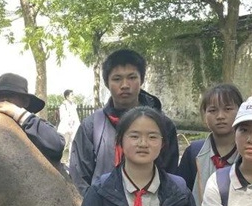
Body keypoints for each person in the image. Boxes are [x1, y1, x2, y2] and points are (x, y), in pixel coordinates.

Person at [70, 49, 179, 197]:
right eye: (117, 79)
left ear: (142, 79)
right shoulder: (92, 126)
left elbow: (169, 174)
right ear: (107, 83)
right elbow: (79, 177)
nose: (125, 85)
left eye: (132, 77)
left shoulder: (162, 125)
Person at [57, 89, 80, 158]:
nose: (73, 96)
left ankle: (72, 161)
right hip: (66, 128)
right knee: (66, 144)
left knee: (74, 144)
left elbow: (76, 118)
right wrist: (68, 128)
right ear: (67, 97)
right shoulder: (63, 106)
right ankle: (65, 161)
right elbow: (63, 118)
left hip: (74, 127)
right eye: (71, 95)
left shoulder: (74, 106)